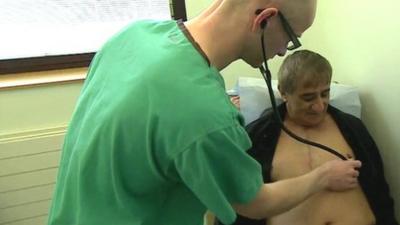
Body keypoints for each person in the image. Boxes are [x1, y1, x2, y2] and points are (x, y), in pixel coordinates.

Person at [47, 1, 362, 225]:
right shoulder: (206, 116)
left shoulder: (133, 36)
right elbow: (255, 202)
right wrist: (322, 176)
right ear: (264, 20)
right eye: (291, 39)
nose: (283, 51)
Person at [223, 50, 398, 225]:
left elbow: (380, 191)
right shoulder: (257, 137)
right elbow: (238, 202)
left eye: (325, 94)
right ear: (284, 93)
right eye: (308, 97)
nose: (319, 106)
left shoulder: (353, 129)